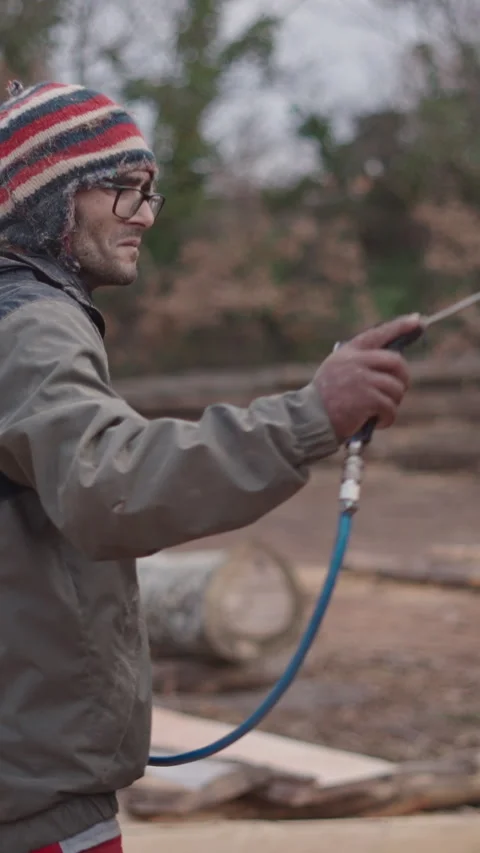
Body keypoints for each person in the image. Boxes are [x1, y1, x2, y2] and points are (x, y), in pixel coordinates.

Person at [0, 80, 422, 853]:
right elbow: (112, 482)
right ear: (47, 194)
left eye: (150, 192)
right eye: (123, 187)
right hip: (34, 810)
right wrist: (311, 415)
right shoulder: (30, 323)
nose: (144, 214)